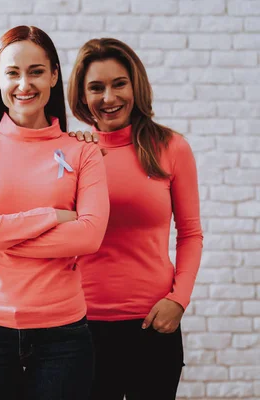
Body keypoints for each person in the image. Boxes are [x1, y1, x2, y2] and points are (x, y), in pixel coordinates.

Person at [0, 26, 110, 400]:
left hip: (63, 334)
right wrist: (52, 216)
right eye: (13, 72)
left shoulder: (83, 152)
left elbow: (89, 236)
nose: (24, 84)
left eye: (36, 71)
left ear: (54, 74)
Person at [66, 38, 203, 400]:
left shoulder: (171, 148)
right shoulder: (69, 152)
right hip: (79, 324)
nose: (109, 97)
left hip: (153, 323)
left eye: (119, 84)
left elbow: (190, 233)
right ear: (81, 96)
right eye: (96, 87)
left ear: (135, 85)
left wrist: (179, 299)